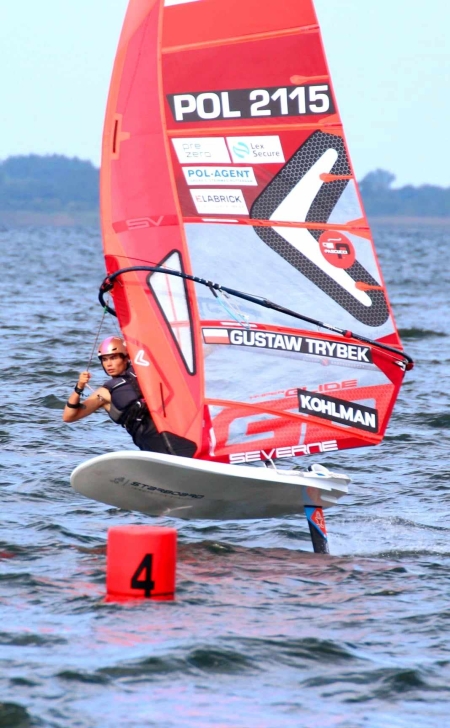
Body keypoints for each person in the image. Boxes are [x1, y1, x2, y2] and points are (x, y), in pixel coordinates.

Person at [63, 336, 175, 454]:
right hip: (152, 444)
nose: (109, 364)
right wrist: (79, 387)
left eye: (113, 358)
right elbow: (68, 416)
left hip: (174, 431)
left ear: (125, 358)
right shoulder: (104, 393)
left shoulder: (144, 372)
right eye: (104, 360)